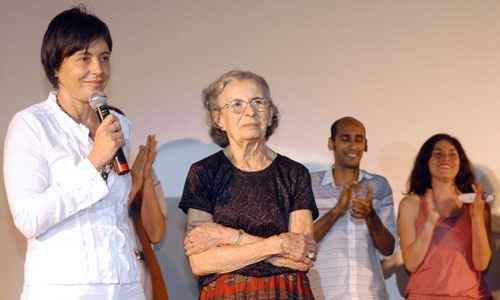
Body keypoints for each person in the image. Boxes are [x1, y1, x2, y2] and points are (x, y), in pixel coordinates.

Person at [3, 6, 161, 299]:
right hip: (63, 288)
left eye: (104, 58)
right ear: (55, 67)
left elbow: (116, 211)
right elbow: (29, 219)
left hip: (123, 284)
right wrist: (94, 161)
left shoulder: (118, 124)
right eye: (83, 59)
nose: (99, 70)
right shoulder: (31, 125)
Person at [178, 70, 319, 299]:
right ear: (218, 119)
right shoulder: (204, 172)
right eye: (236, 104)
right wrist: (278, 244)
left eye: (258, 102)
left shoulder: (295, 173)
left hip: (285, 293)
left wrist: (226, 236)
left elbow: (302, 257)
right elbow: (201, 262)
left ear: (271, 112)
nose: (250, 112)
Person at [309, 117, 397, 300]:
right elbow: (302, 242)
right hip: (321, 294)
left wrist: (371, 215)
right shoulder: (309, 183)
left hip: (369, 295)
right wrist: (336, 212)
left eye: (359, 139)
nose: (353, 146)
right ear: (331, 143)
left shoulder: (378, 186)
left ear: (365, 145)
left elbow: (389, 249)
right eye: (345, 138)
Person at [398, 133, 492, 299]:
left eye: (452, 154)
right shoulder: (410, 204)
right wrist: (429, 224)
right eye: (437, 153)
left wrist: (477, 217)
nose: (445, 159)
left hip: (469, 296)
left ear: (460, 162)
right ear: (426, 161)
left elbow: (482, 263)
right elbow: (411, 264)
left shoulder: (476, 203)